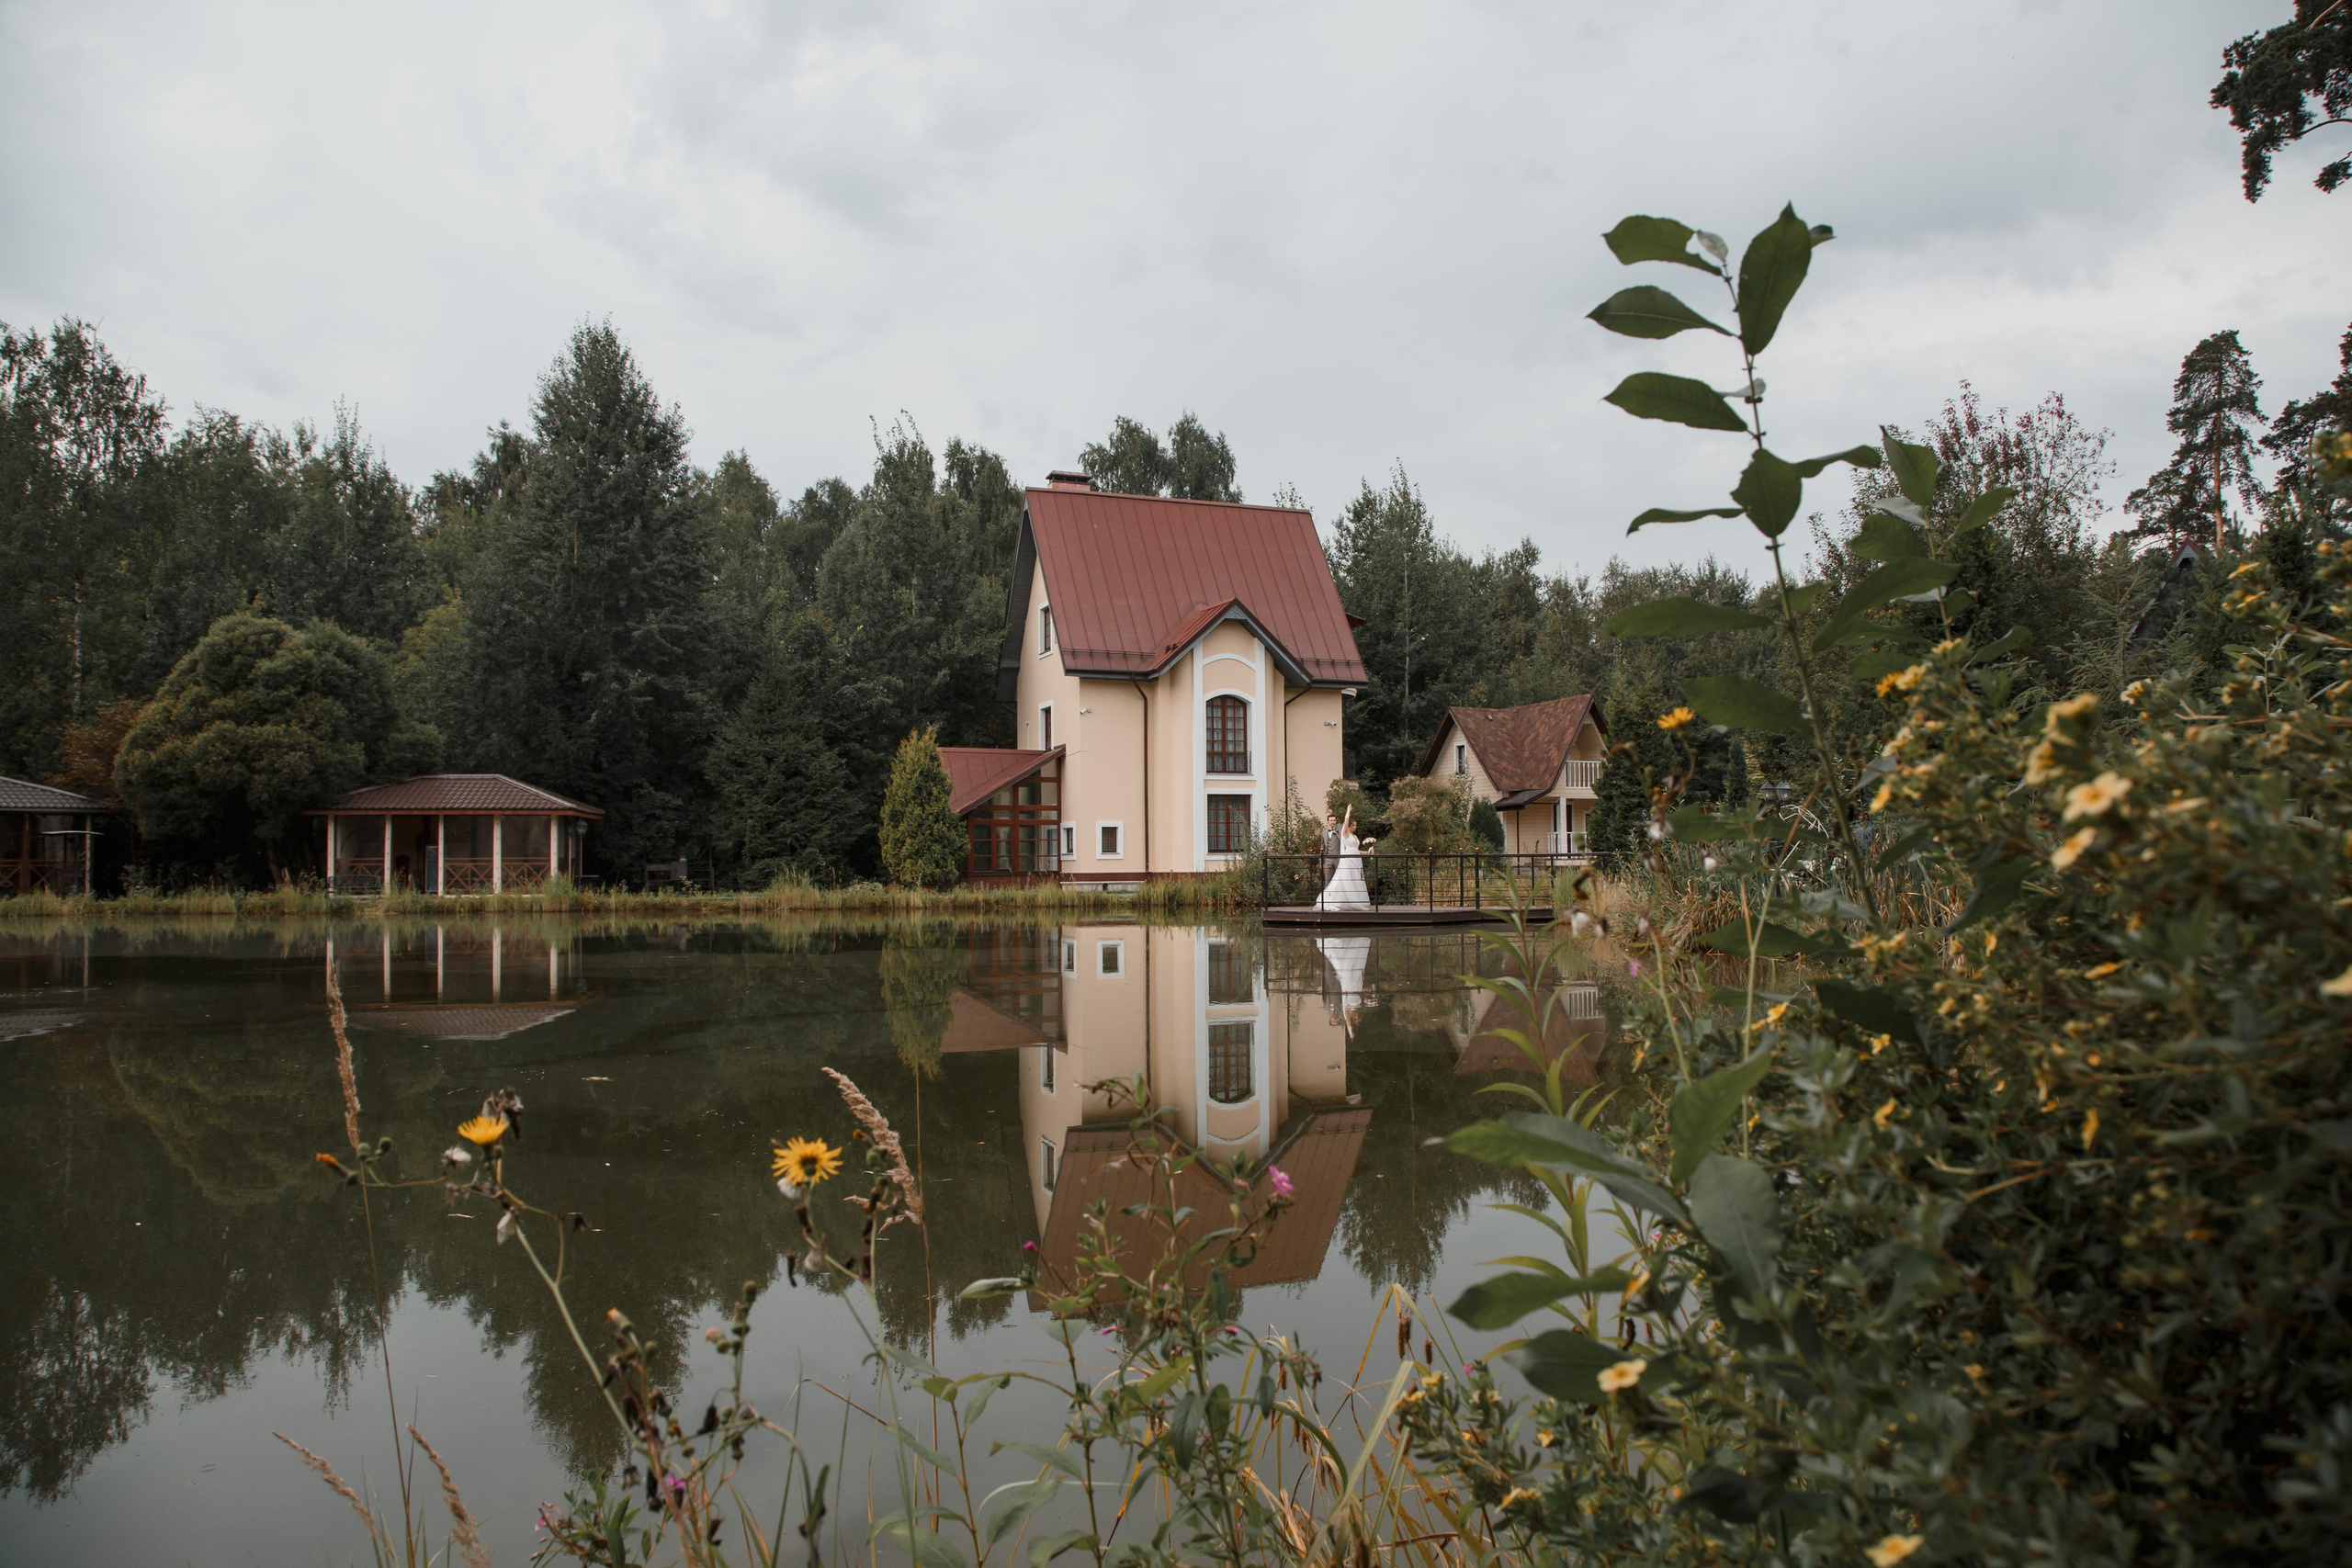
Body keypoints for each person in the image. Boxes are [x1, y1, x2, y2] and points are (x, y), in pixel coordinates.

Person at [1314, 805, 1375, 913]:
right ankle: (1332, 900)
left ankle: (1351, 901)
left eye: (1356, 825)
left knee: (1354, 881)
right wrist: (1348, 811)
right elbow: (1346, 820)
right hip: (1348, 861)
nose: (1355, 827)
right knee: (1343, 881)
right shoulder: (1345, 833)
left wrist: (1367, 852)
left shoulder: (1355, 837)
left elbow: (1356, 850)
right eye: (1353, 825)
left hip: (1356, 861)